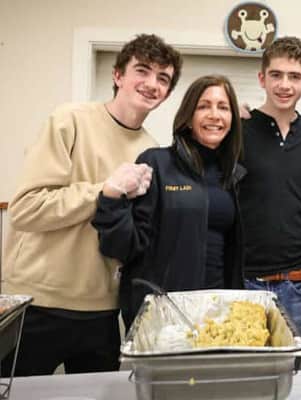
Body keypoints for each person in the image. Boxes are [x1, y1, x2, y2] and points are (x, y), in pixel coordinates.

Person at [1, 34, 182, 376]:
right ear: (118, 75)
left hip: (102, 311)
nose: (152, 84)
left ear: (168, 93)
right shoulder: (69, 120)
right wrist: (105, 191)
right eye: (142, 70)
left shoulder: (152, 152)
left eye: (163, 78)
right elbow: (25, 209)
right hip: (37, 303)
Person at [92, 75, 245, 330]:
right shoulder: (158, 163)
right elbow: (123, 246)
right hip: (165, 313)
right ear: (188, 117)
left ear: (232, 119)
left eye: (223, 107)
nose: (214, 115)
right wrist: (111, 199)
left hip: (219, 311)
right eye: (203, 106)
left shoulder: (233, 175)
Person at [238, 36, 301, 339]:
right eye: (276, 75)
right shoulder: (239, 129)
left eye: (294, 77)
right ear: (262, 78)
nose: (284, 85)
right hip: (247, 278)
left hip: (298, 279)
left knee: (291, 362)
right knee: (248, 362)